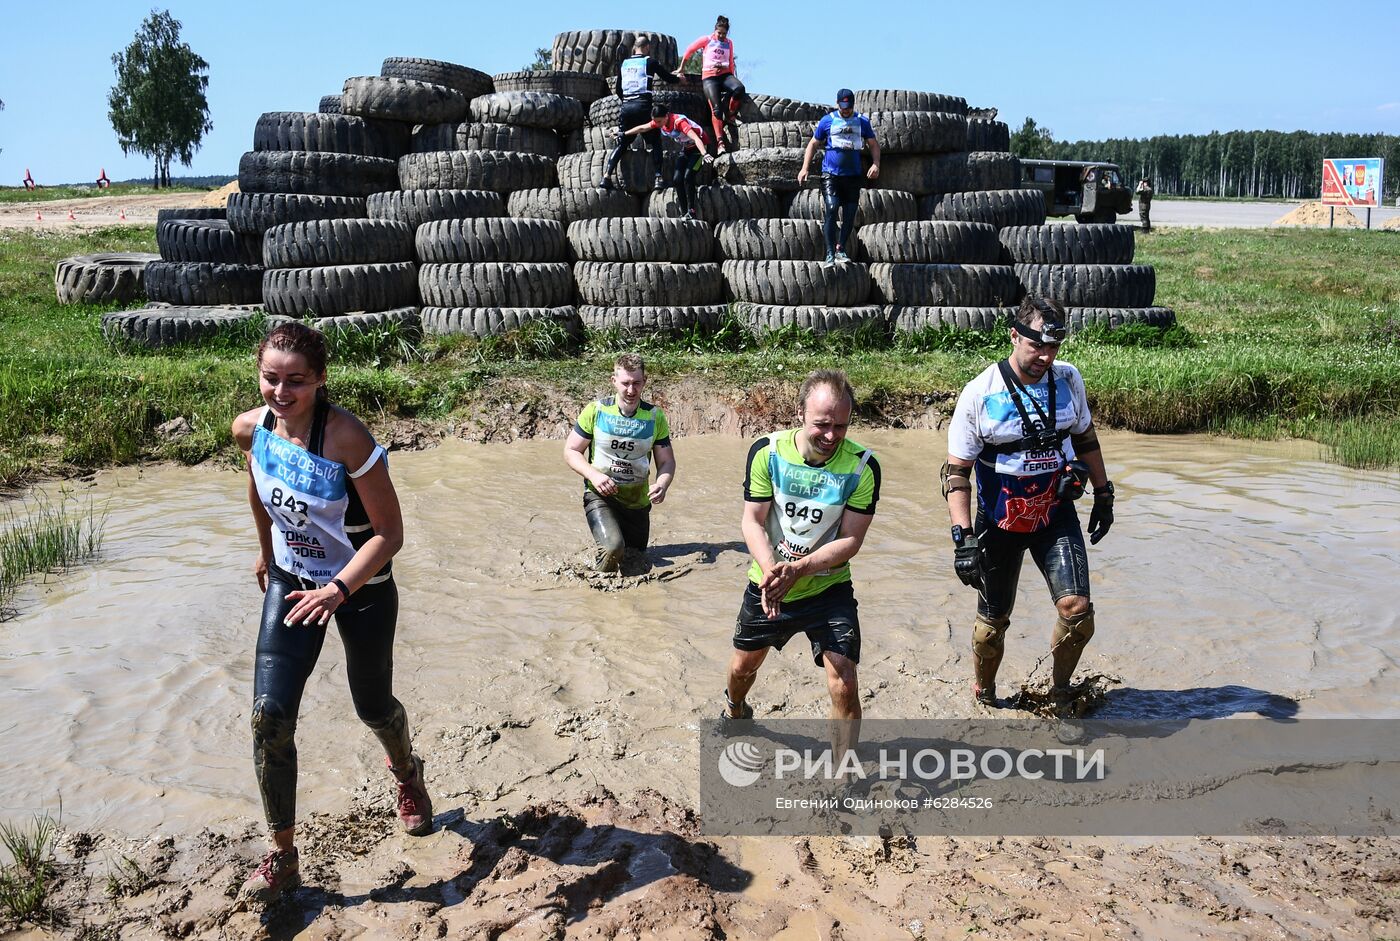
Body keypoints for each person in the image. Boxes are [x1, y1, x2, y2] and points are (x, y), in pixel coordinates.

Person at [231, 322, 433, 904]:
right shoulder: (252, 430)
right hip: (293, 582)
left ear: (319, 380)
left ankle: (406, 775)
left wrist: (338, 591)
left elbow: (391, 534)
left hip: (361, 587)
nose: (282, 392)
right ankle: (284, 856)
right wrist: (267, 556)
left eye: (296, 381)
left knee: (372, 704)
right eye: (271, 379)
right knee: (269, 716)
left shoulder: (345, 437)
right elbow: (258, 489)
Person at [941, 296, 1115, 710]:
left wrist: (1102, 492)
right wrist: (963, 540)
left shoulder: (1069, 380)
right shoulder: (980, 394)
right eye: (1037, 345)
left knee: (1077, 611)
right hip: (998, 523)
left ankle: (1059, 692)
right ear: (1015, 336)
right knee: (991, 626)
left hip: (1054, 516)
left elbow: (1085, 439)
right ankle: (984, 694)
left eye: (1054, 347)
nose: (1045, 356)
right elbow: (956, 475)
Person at [725, 370, 881, 762]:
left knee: (844, 680)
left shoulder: (862, 466)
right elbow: (752, 521)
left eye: (841, 426)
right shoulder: (768, 452)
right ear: (800, 413)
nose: (831, 436)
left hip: (827, 588)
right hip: (769, 584)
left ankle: (844, 771)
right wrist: (773, 569)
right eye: (822, 425)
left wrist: (800, 568)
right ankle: (735, 709)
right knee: (744, 668)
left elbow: (851, 541)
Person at [564, 353, 676, 572]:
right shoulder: (596, 411)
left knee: (634, 562)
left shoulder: (655, 417)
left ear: (645, 381)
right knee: (613, 548)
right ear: (613, 381)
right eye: (625, 383)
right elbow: (571, 451)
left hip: (637, 504)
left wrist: (662, 484)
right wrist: (594, 476)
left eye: (636, 383)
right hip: (600, 496)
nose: (631, 390)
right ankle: (597, 595)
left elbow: (667, 462)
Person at [797, 89, 881, 267]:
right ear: (837, 104)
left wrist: (876, 164)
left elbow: (873, 144)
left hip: (853, 176)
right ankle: (829, 254)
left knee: (850, 215)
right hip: (831, 175)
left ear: (853, 105)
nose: (846, 110)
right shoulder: (827, 120)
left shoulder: (862, 122)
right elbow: (813, 143)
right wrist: (804, 168)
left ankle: (840, 248)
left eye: (848, 107)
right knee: (832, 208)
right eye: (843, 107)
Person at [602, 34, 683, 191]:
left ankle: (606, 176)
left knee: (623, 142)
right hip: (643, 107)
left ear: (634, 48)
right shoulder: (649, 62)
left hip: (626, 107)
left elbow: (618, 89)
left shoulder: (624, 64)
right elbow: (667, 77)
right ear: (647, 48)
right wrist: (680, 79)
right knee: (655, 142)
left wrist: (627, 101)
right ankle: (658, 177)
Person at [619, 104, 715, 218]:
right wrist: (624, 133)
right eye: (655, 121)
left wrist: (704, 153)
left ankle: (692, 211)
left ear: (666, 116)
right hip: (687, 149)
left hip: (699, 149)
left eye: (659, 121)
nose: (657, 124)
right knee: (677, 179)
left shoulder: (679, 122)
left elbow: (696, 138)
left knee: (688, 177)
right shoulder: (660, 121)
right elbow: (642, 128)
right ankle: (685, 213)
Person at [681, 15, 750, 154]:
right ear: (715, 30)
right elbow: (689, 50)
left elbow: (730, 61)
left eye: (724, 34)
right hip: (710, 78)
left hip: (725, 75)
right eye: (719, 33)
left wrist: (732, 76)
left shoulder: (729, 43)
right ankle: (720, 143)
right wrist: (682, 67)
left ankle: (730, 115)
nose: (721, 36)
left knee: (739, 88)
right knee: (716, 109)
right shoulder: (707, 40)